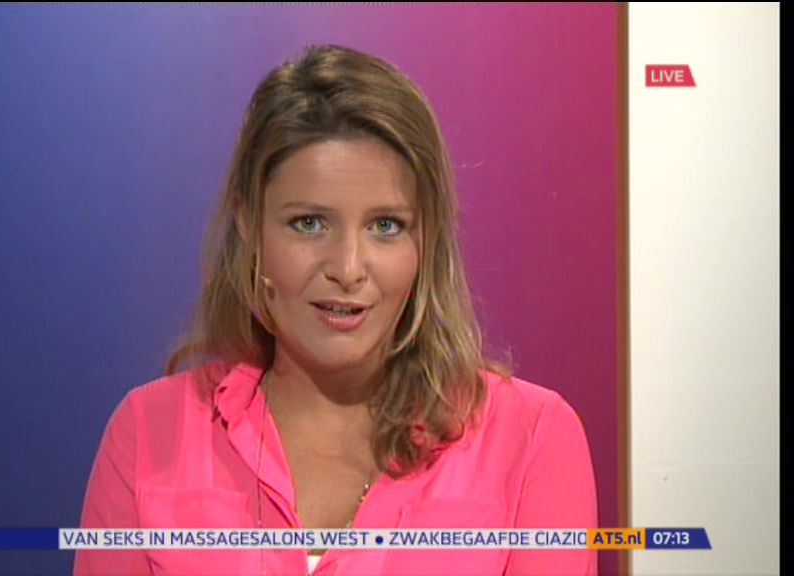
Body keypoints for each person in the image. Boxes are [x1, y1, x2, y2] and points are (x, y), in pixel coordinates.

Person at [75, 43, 597, 576]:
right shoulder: (148, 431)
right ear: (248, 224)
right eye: (309, 224)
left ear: (426, 241)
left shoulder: (531, 439)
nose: (348, 268)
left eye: (385, 226)